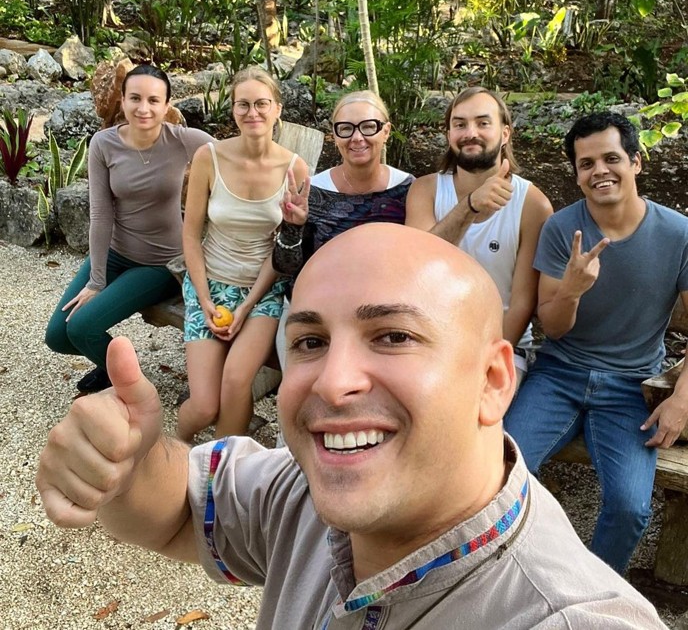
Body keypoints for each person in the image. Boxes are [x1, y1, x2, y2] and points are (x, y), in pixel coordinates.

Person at [36, 224, 667, 629]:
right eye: (309, 340)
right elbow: (176, 511)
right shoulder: (302, 491)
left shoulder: (569, 618)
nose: (333, 382)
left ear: (493, 381)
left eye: (392, 336)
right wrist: (128, 462)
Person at [505, 111, 688, 575]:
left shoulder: (677, 233)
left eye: (611, 158)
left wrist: (681, 401)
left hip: (631, 386)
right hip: (559, 373)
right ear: (577, 173)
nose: (599, 171)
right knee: (503, 475)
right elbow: (555, 327)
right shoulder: (564, 229)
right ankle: (514, 577)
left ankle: (591, 590)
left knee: (630, 508)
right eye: (586, 164)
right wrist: (571, 288)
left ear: (636, 163)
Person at [45, 64, 214, 393]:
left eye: (154, 100)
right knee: (56, 335)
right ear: (122, 101)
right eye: (135, 98)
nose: (144, 108)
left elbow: (236, 159)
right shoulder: (103, 144)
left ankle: (125, 377)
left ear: (167, 105)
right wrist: (96, 280)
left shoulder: (185, 140)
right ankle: (114, 366)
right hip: (115, 255)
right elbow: (101, 212)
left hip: (161, 264)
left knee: (81, 328)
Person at [176, 67, 309, 441]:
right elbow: (191, 234)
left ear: (277, 109)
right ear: (233, 110)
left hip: (262, 291)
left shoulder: (294, 168)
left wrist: (246, 306)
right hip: (209, 284)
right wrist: (203, 297)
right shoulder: (208, 158)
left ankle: (220, 473)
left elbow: (281, 248)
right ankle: (172, 448)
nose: (253, 113)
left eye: (262, 103)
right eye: (243, 104)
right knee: (203, 405)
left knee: (236, 381)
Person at [405, 87, 552, 377]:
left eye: (483, 123)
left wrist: (483, 361)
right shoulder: (425, 190)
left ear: (505, 133)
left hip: (501, 347)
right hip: (429, 342)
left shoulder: (533, 204)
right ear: (449, 135)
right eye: (459, 124)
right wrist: (470, 206)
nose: (470, 132)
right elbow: (418, 266)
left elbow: (522, 303)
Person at [272, 90, 413, 367]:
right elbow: (285, 268)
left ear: (386, 131)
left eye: (368, 126)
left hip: (381, 319)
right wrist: (292, 227)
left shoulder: (409, 190)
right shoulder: (314, 191)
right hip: (315, 314)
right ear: (335, 136)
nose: (357, 137)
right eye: (346, 129)